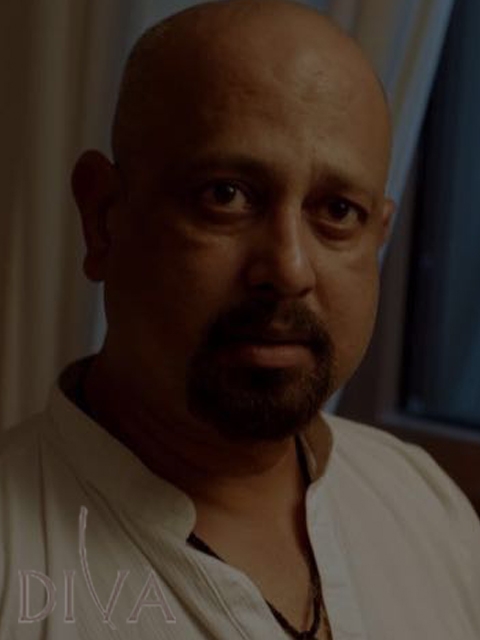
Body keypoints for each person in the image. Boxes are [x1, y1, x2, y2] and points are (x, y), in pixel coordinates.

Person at [1, 0, 479, 638]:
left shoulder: (422, 502)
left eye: (337, 211)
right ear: (103, 218)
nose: (288, 267)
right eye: (226, 195)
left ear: (379, 237)